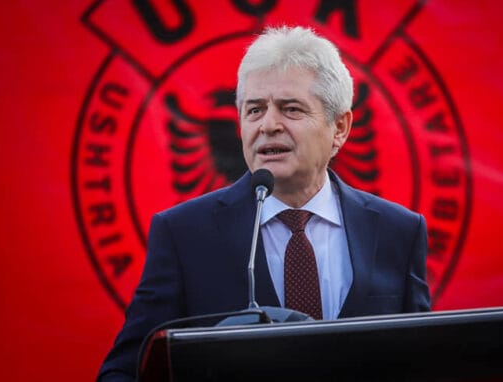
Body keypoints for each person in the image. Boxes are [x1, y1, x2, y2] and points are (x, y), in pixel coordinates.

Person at [97, 26, 430, 381]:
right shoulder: (183, 234)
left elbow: (424, 363)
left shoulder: (399, 231)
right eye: (254, 110)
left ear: (340, 127)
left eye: (291, 109)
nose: (268, 125)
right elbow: (124, 372)